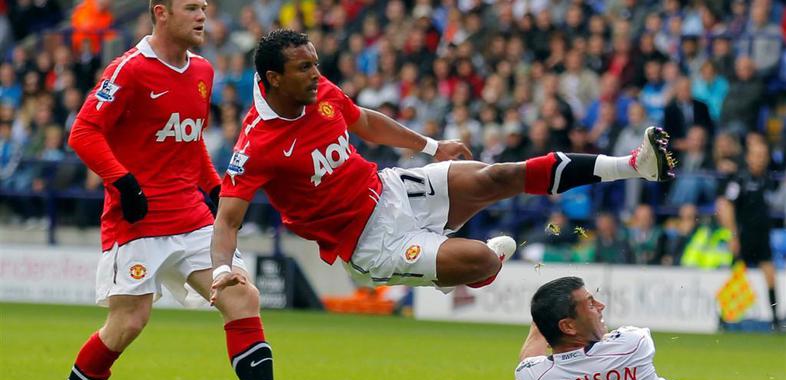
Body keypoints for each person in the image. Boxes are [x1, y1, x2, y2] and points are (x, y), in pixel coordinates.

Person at [211, 30, 675, 300]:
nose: (316, 74)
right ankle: (467, 267)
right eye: (304, 68)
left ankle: (635, 164)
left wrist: (432, 146)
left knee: (500, 174)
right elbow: (227, 220)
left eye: (315, 64)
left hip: (391, 189)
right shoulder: (257, 144)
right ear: (273, 78)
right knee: (480, 260)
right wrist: (220, 272)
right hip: (369, 243)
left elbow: (365, 121)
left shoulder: (319, 92)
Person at [45, 3, 326, 380]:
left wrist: (214, 188)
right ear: (161, 13)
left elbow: (190, 141)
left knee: (241, 296)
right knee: (129, 322)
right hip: (137, 220)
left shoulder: (203, 71)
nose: (202, 15)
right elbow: (83, 132)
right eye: (191, 7)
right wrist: (123, 182)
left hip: (191, 216)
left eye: (204, 8)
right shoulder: (129, 69)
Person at [430, 276, 716, 380]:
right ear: (567, 326)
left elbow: (530, 359)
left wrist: (543, 319)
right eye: (590, 303)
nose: (601, 305)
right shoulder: (633, 344)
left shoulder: (532, 378)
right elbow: (600, 355)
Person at [717, 133, 781, 331]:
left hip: (762, 236)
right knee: (736, 276)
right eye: (757, 155)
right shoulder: (740, 179)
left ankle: (775, 319)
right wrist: (732, 235)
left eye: (764, 155)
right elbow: (727, 206)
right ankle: (723, 317)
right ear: (749, 157)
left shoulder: (768, 179)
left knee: (770, 275)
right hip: (743, 235)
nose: (761, 159)